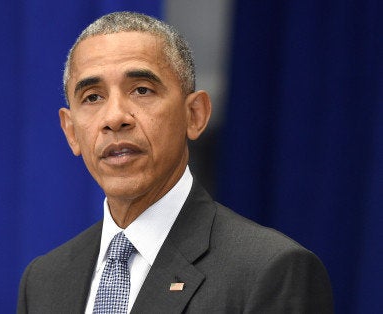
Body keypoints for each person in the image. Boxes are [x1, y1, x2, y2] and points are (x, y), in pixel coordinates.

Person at [17, 11, 333, 313]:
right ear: (71, 132)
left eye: (141, 90)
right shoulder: (44, 280)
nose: (114, 118)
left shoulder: (271, 270)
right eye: (92, 97)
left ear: (194, 115)